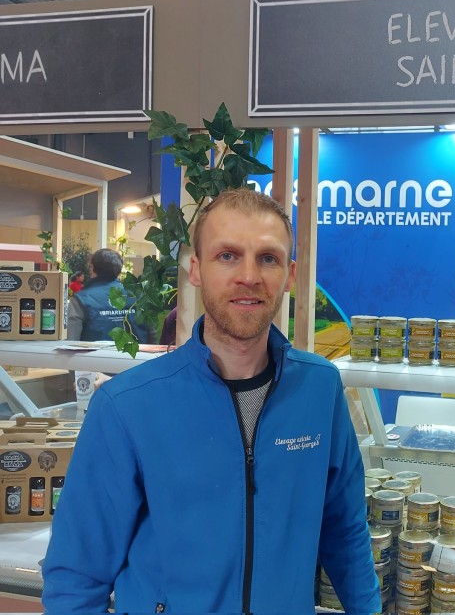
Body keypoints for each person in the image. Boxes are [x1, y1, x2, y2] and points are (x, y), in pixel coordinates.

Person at [42, 189, 380, 613]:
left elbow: (345, 530)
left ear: (290, 275)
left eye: (268, 258)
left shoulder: (319, 389)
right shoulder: (127, 406)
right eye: (227, 256)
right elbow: (76, 576)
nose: (249, 276)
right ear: (196, 269)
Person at [66, 249, 151, 342]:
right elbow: (152, 337)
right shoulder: (139, 296)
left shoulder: (81, 299)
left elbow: (72, 340)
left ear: (92, 268)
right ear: (119, 269)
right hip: (137, 351)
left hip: (95, 352)